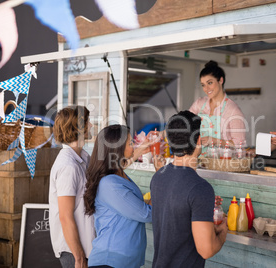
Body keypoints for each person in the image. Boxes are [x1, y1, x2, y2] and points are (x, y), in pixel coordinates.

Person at [150, 110, 228, 268]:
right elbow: (206, 250)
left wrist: (203, 209)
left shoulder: (158, 178)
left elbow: (176, 217)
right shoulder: (200, 188)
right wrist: (223, 231)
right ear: (199, 141)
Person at [83, 125, 163, 268]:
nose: (134, 146)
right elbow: (147, 214)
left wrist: (143, 147)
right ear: (117, 148)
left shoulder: (118, 175)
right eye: (131, 143)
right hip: (110, 261)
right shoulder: (110, 184)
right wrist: (160, 176)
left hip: (123, 261)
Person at [49, 106, 95, 267]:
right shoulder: (68, 166)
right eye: (88, 122)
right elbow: (65, 216)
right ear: (79, 127)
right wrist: (79, 257)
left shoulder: (82, 157)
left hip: (86, 246)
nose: (91, 125)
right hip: (73, 251)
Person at [189, 60, 246, 156]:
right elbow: (183, 124)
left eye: (210, 83)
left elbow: (239, 145)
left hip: (222, 165)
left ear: (221, 80)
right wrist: (163, 134)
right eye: (203, 85)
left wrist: (215, 141)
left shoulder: (232, 110)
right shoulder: (199, 103)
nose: (206, 89)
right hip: (199, 162)